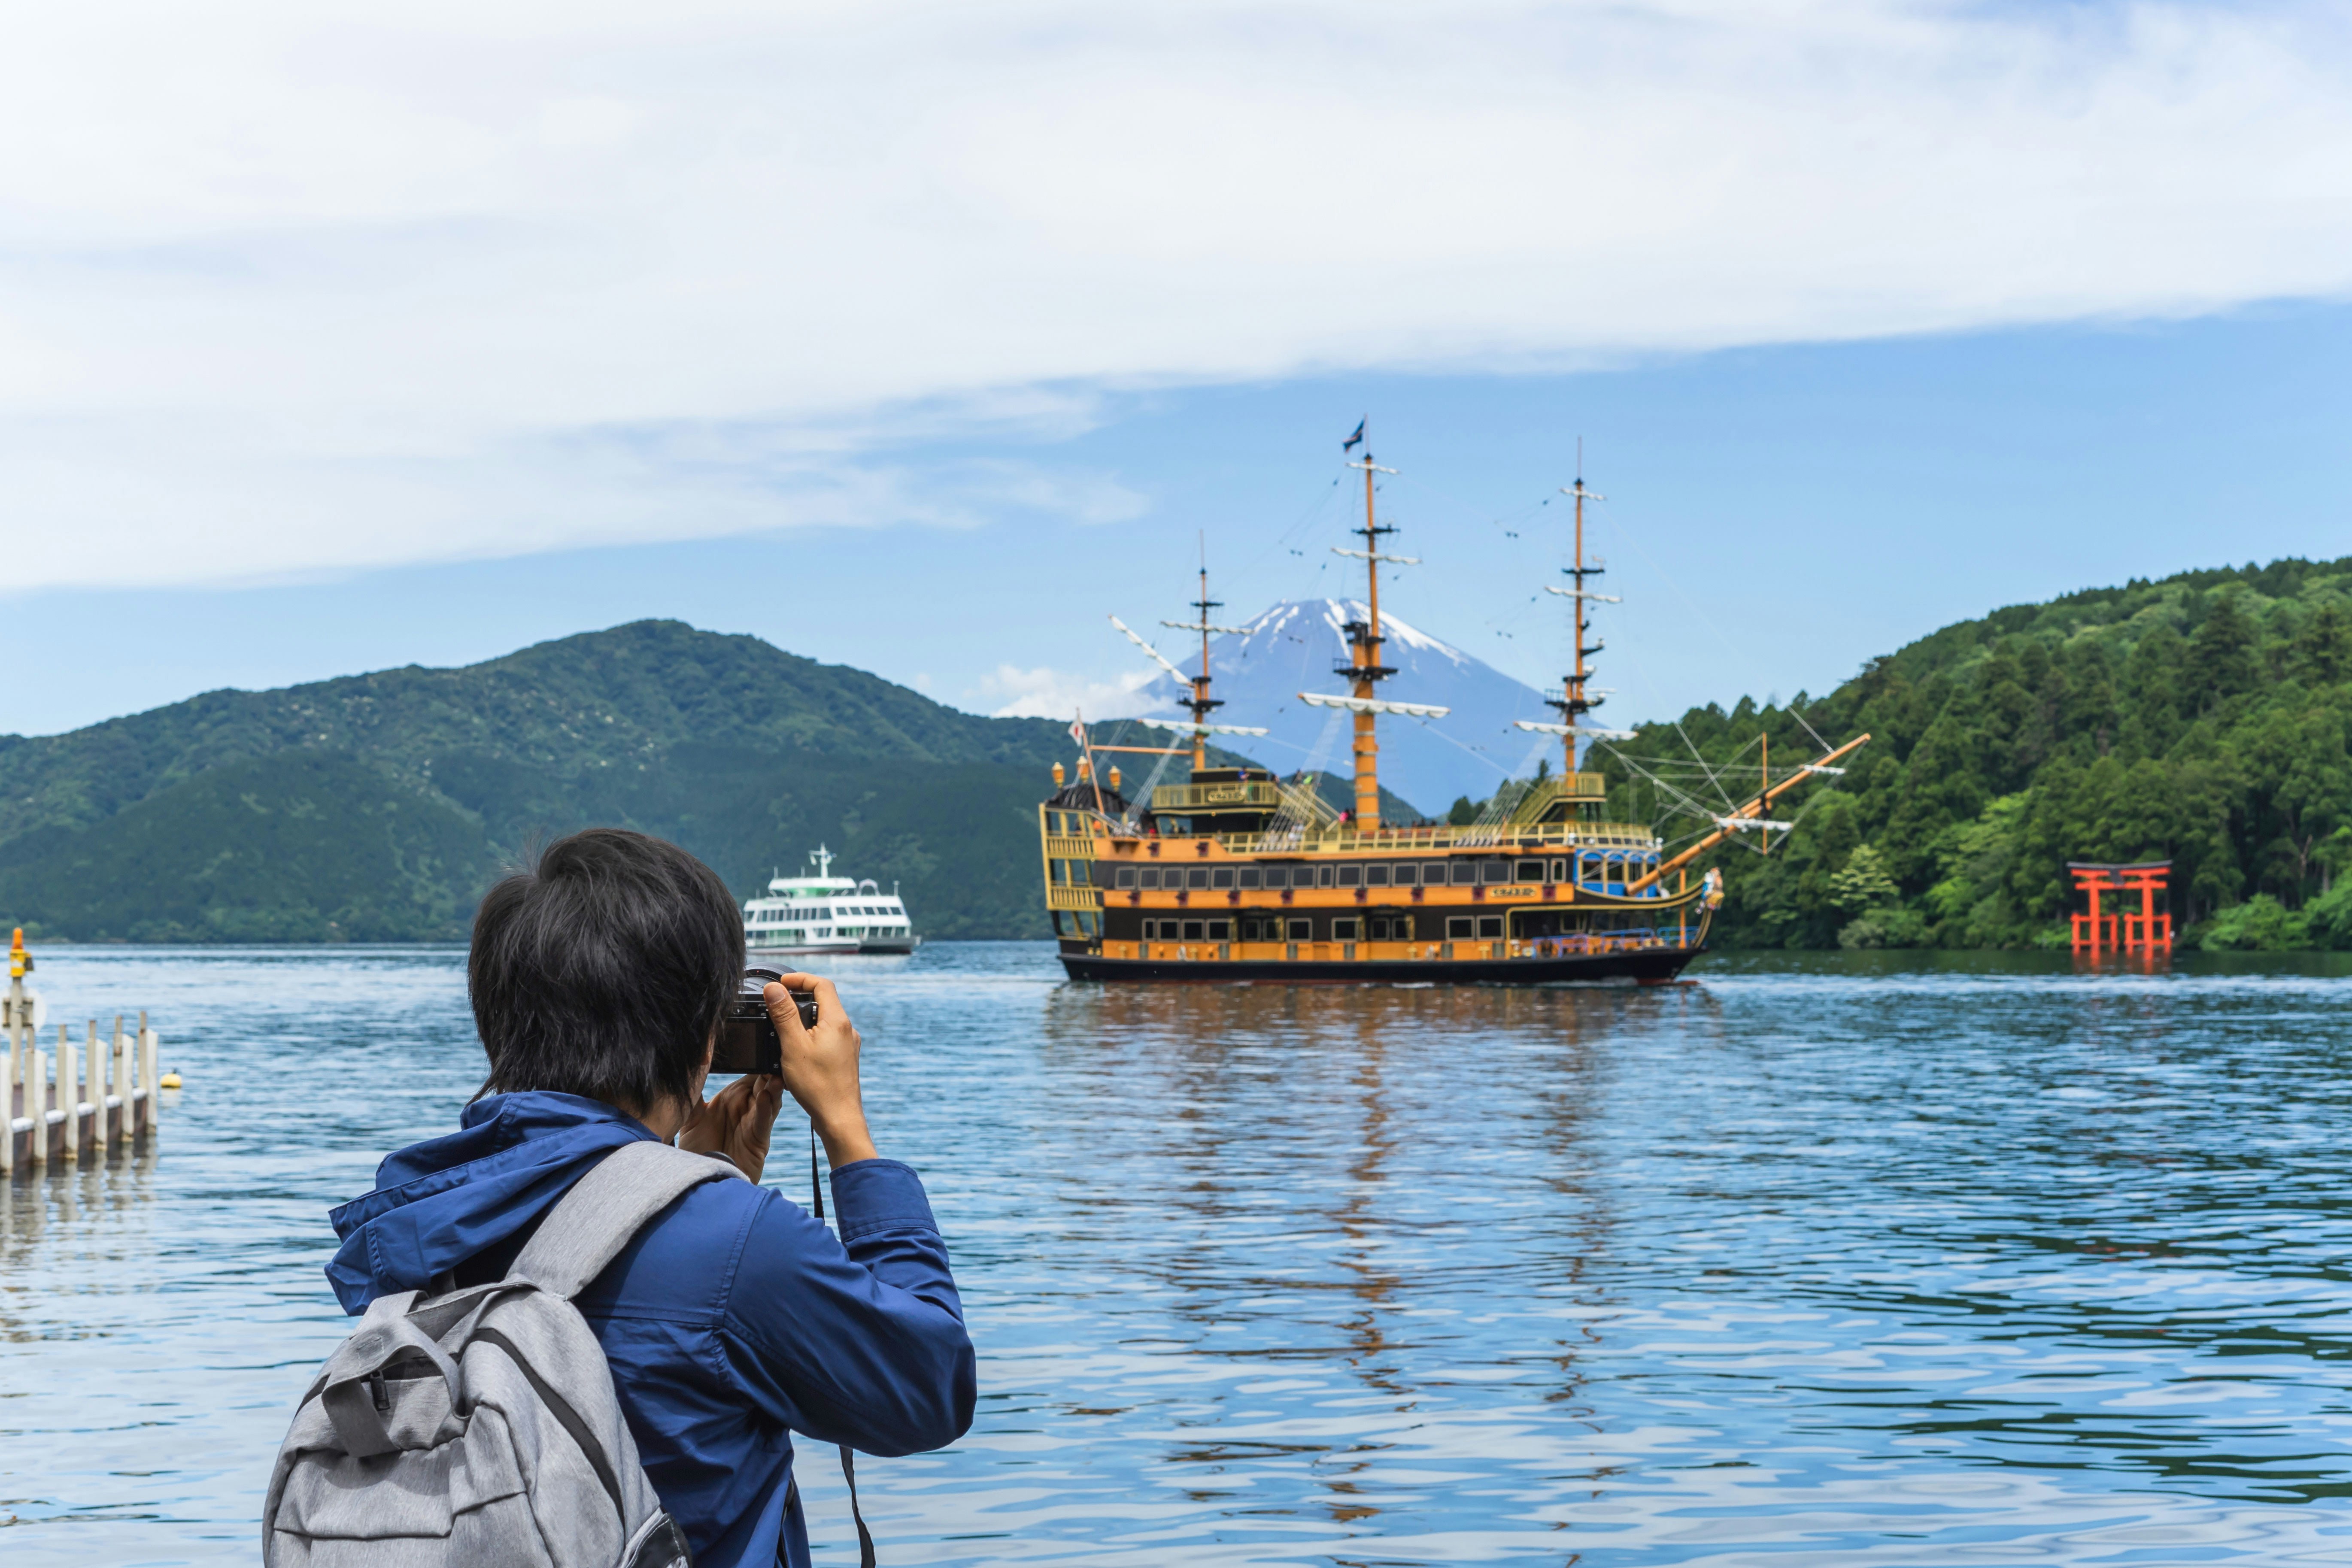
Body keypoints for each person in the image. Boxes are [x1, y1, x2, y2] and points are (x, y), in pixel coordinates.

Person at [323, 828, 974, 1568]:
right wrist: (848, 1133)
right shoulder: (734, 1243)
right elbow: (928, 1389)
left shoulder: (423, 1220)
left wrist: (673, 1177)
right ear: (702, 1035)